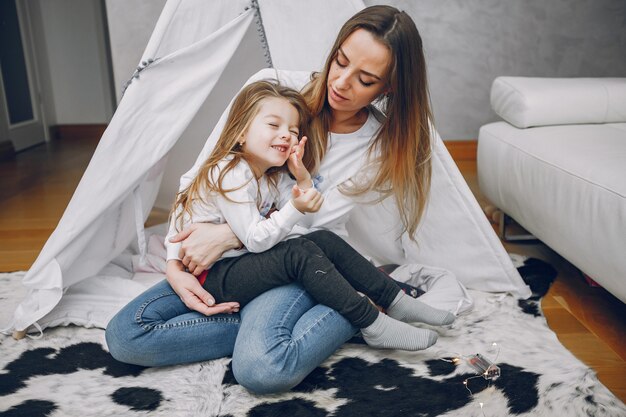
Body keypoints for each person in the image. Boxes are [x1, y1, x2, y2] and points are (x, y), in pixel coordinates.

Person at [106, 5, 470, 393]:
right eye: (340, 62)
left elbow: (311, 226)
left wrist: (229, 235)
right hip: (233, 267)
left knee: (261, 369)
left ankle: (364, 308)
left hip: (296, 261)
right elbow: (199, 177)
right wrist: (175, 269)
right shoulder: (272, 91)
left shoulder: (379, 145)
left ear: (388, 88)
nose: (342, 83)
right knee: (124, 335)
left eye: (364, 79)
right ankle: (350, 305)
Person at [168, 79, 454, 352]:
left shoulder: (268, 178)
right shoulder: (231, 172)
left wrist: (302, 177)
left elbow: (302, 214)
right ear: (241, 133)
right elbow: (256, 238)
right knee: (299, 252)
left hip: (237, 264)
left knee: (323, 239)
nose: (286, 134)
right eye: (273, 125)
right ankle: (371, 323)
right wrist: (293, 209)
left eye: (293, 130)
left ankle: (395, 300)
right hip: (213, 276)